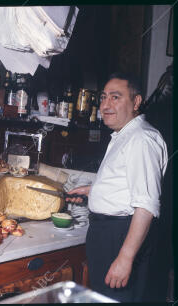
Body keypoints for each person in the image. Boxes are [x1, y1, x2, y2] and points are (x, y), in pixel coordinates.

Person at [67, 72, 168, 302]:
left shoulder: (141, 138)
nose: (105, 105)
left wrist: (125, 258)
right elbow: (128, 186)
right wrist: (93, 193)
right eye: (103, 98)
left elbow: (146, 205)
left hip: (120, 237)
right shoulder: (125, 135)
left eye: (115, 97)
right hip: (108, 235)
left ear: (136, 102)